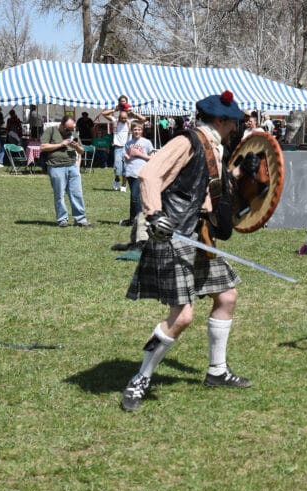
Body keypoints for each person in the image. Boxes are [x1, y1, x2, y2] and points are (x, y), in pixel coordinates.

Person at [120, 90, 250, 413]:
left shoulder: (213, 147)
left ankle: (217, 372)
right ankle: (140, 378)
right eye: (233, 122)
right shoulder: (187, 141)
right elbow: (149, 173)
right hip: (174, 233)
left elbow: (205, 188)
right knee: (183, 316)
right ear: (219, 121)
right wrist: (154, 214)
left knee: (227, 296)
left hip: (199, 232)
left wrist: (240, 176)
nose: (235, 128)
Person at [40, 116, 94, 228]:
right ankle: (62, 219)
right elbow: (43, 147)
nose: (69, 132)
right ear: (61, 125)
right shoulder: (50, 131)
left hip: (72, 166)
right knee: (59, 194)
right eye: (67, 129)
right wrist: (61, 144)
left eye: (71, 129)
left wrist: (77, 147)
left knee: (77, 193)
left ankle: (80, 219)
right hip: (56, 167)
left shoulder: (73, 134)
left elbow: (82, 151)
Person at [102, 96, 147, 192]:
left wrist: (133, 113)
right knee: (118, 168)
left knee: (126, 168)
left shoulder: (130, 122)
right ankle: (116, 179)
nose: (123, 119)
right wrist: (115, 109)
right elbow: (103, 114)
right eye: (122, 118)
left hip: (128, 149)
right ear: (119, 117)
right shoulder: (115, 121)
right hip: (118, 148)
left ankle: (123, 185)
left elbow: (143, 119)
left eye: (125, 118)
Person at [121, 121, 154, 226]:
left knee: (135, 197)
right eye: (135, 129)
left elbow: (152, 158)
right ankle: (132, 219)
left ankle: (139, 220)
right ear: (131, 131)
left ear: (142, 131)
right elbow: (127, 160)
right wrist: (126, 158)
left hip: (141, 172)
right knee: (133, 197)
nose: (137, 131)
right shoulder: (128, 143)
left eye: (139, 129)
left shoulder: (147, 142)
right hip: (130, 172)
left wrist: (139, 154)